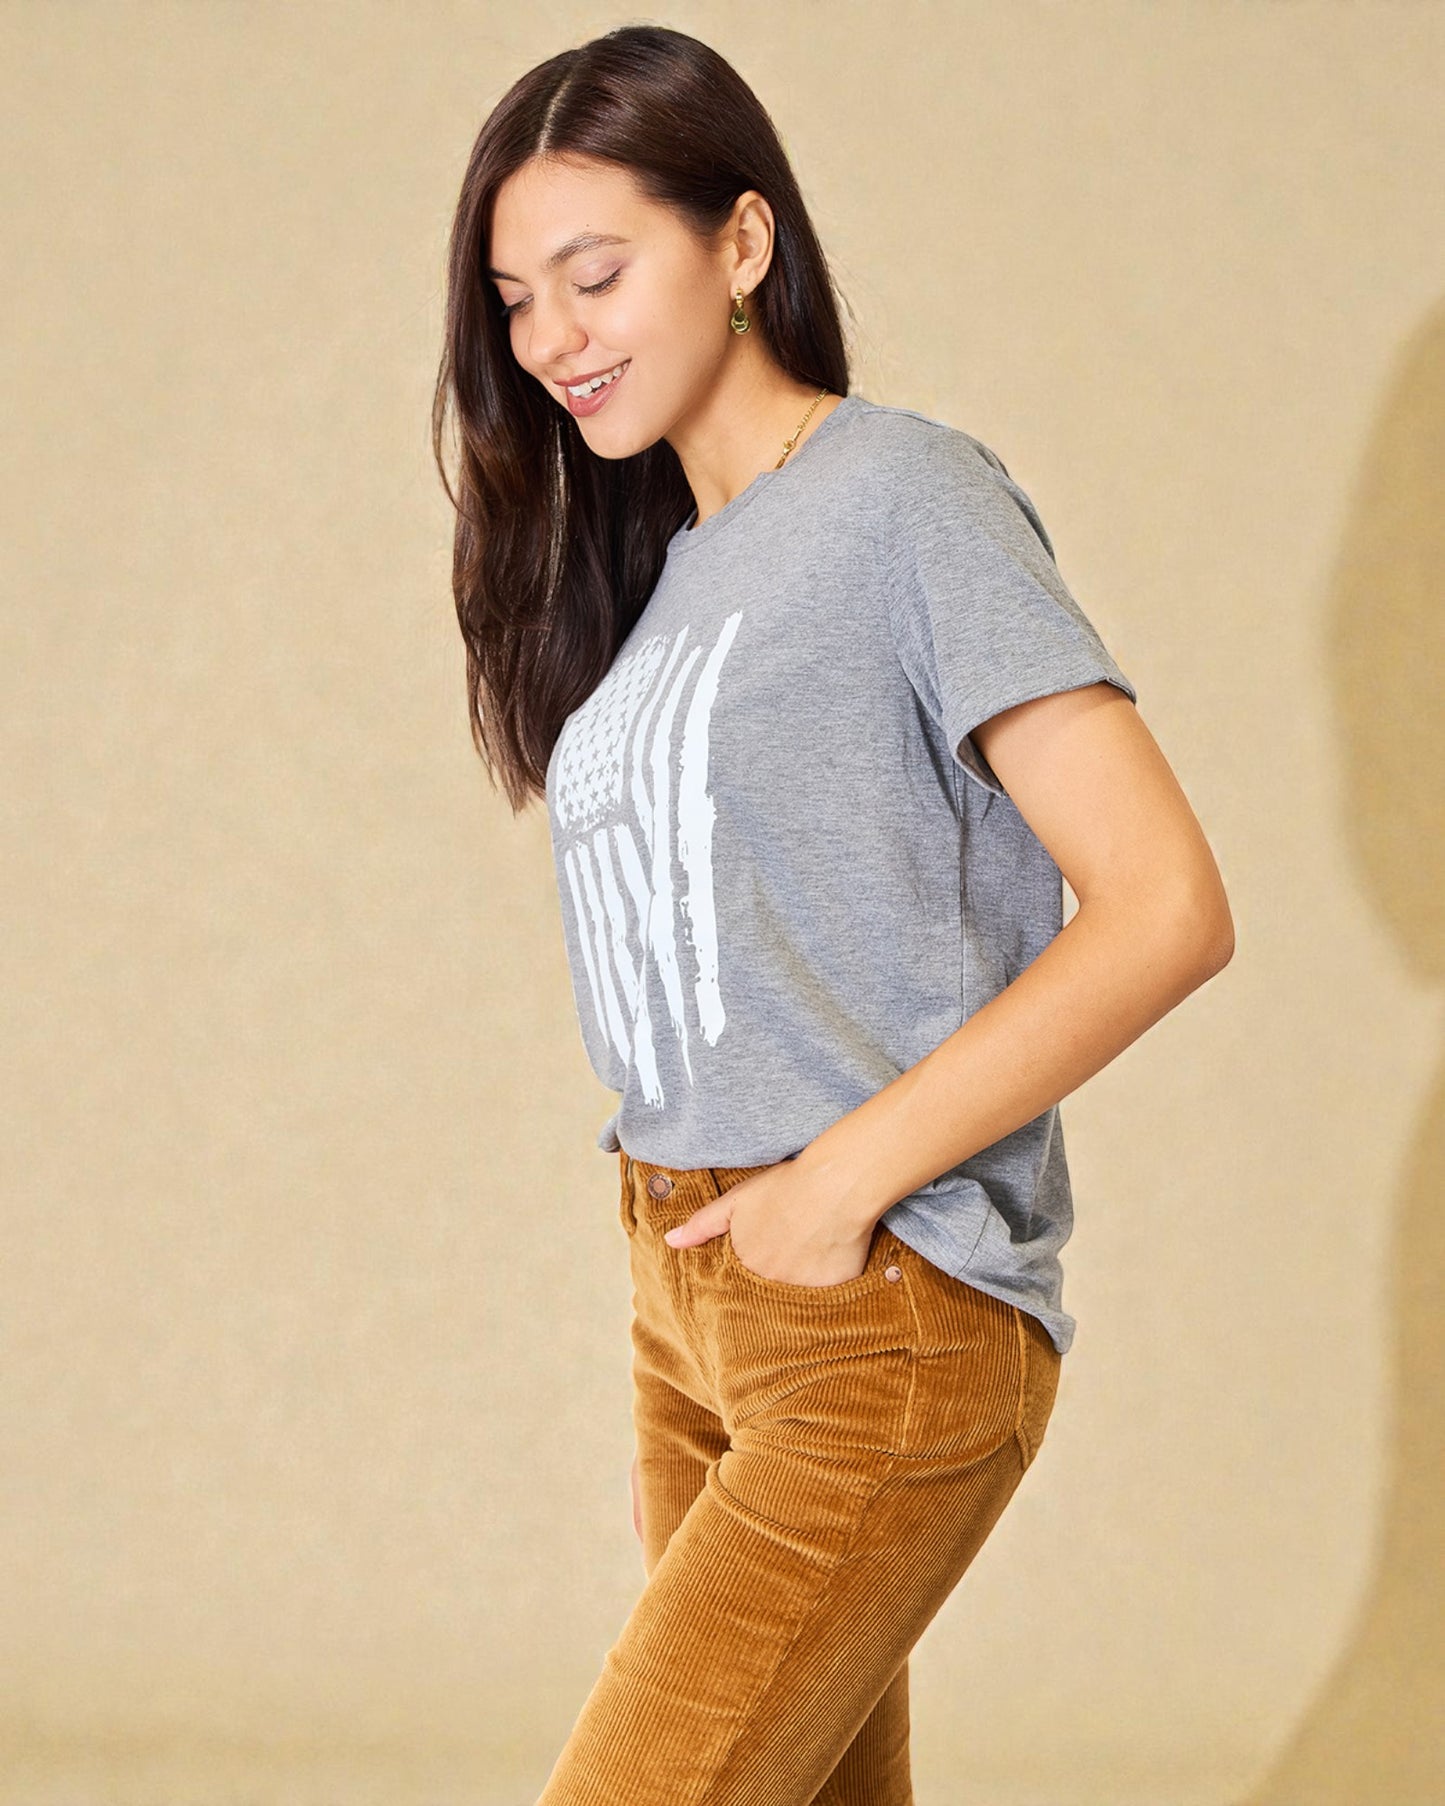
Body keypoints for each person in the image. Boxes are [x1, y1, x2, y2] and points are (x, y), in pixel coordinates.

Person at [432, 23, 1233, 1806]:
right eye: (515, 300)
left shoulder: (902, 499)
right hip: (690, 1293)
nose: (551, 338)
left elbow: (1165, 903)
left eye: (593, 275)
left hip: (870, 1293)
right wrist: (698, 1277)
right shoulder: (653, 581)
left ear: (740, 240)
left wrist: (834, 1185)